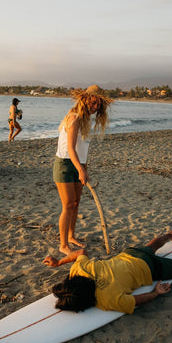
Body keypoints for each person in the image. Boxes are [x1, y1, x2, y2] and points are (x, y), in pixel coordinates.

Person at [43, 229, 172, 314]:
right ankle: (169, 236)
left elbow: (139, 300)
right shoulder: (79, 270)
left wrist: (155, 292)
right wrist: (59, 262)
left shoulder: (107, 300)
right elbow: (81, 252)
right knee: (150, 246)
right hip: (129, 254)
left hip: (147, 269)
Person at [53, 85, 113, 255]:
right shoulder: (75, 117)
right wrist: (80, 169)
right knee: (68, 205)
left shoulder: (85, 120)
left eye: (98, 106)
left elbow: (81, 150)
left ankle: (71, 236)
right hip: (65, 165)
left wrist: (84, 168)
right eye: (93, 103)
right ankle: (63, 244)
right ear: (85, 99)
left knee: (76, 203)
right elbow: (70, 149)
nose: (95, 108)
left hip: (78, 163)